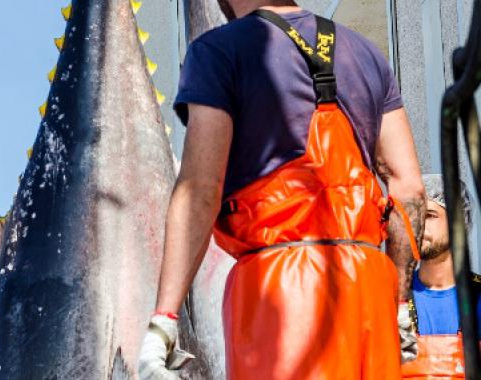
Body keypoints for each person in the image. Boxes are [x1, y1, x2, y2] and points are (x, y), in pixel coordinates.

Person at [137, 1, 426, 379]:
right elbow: (409, 188)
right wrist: (400, 303)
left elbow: (201, 188)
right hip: (370, 288)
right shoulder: (366, 53)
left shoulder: (217, 51)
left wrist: (165, 319)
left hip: (282, 290)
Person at [401, 174, 476, 379]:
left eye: (430, 215)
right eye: (416, 216)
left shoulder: (478, 297)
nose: (420, 225)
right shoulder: (393, 297)